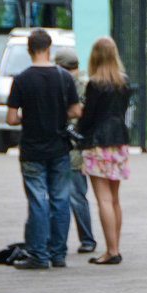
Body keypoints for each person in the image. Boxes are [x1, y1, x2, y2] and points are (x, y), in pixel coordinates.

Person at [5, 28, 82, 270]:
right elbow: (76, 111)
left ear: (29, 51)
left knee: (38, 201)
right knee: (60, 200)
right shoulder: (64, 77)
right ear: (49, 49)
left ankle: (38, 255)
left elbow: (11, 118)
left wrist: (28, 116)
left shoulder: (21, 79)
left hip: (31, 149)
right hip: (59, 148)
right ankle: (58, 255)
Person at [76, 36, 132, 265]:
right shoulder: (123, 83)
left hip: (98, 144)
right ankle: (115, 246)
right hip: (118, 143)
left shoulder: (94, 84)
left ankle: (111, 251)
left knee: (104, 201)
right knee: (115, 200)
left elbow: (87, 118)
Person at [53, 47, 97, 255]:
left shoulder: (67, 83)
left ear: (60, 66)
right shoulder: (87, 84)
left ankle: (86, 240)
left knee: (72, 196)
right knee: (79, 195)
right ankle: (86, 239)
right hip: (82, 148)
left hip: (71, 149)